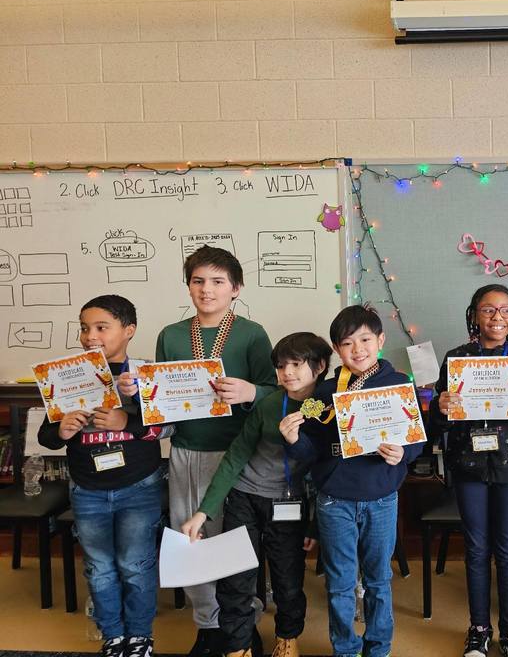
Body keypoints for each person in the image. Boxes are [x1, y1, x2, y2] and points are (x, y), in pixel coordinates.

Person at [120, 245, 277, 657]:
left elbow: (278, 394)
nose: (207, 290)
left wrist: (251, 391)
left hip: (236, 455)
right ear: (188, 285)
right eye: (198, 281)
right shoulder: (171, 335)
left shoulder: (252, 333)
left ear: (236, 288)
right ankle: (208, 625)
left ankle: (242, 623)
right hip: (186, 451)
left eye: (218, 282)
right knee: (188, 538)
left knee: (230, 544)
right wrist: (140, 398)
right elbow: (162, 407)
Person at [282, 306, 424, 657]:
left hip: (381, 498)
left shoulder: (399, 385)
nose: (357, 349)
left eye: (364, 340)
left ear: (380, 340)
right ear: (336, 349)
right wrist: (293, 439)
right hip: (335, 501)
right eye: (347, 343)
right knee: (340, 583)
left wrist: (401, 454)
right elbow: (309, 447)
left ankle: (378, 648)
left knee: (379, 580)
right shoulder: (324, 393)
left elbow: (417, 438)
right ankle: (345, 649)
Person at [181, 333, 332, 657]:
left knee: (288, 579)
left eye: (296, 364)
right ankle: (238, 645)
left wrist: (314, 525)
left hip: (289, 502)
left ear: (319, 366)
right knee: (235, 578)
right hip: (245, 497)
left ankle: (288, 639)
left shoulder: (327, 409)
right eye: (280, 366)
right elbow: (236, 456)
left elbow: (327, 471)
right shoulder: (267, 404)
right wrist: (203, 512)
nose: (287, 373)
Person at [39, 295, 168, 657]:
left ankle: (140, 635)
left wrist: (128, 419)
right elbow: (46, 436)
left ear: (128, 331)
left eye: (101, 327)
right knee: (98, 568)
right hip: (88, 489)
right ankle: (112, 635)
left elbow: (168, 428)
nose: (89, 335)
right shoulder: (67, 375)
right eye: (84, 327)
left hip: (138, 487)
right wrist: (61, 430)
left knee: (136, 564)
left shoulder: (145, 374)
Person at [431, 285, 508, 657]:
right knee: (477, 548)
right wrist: (440, 407)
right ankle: (479, 629)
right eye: (488, 310)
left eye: (505, 310)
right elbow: (438, 423)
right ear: (474, 315)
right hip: (468, 464)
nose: (497, 317)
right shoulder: (456, 359)